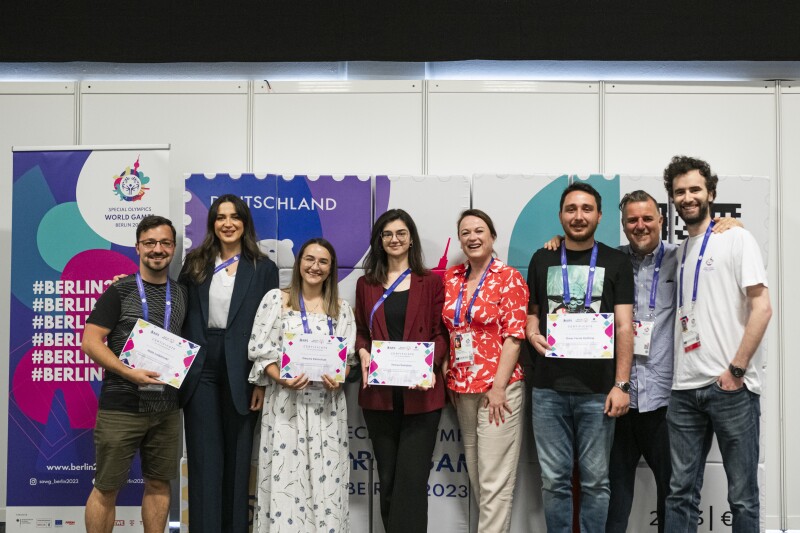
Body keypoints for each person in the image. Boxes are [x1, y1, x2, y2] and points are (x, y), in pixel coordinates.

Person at [541, 193, 742, 533]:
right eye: (632, 220)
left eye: (647, 218)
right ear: (622, 225)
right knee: (612, 495)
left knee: (673, 493)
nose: (640, 226)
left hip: (666, 400)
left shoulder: (684, 259)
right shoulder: (608, 261)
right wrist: (559, 241)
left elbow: (718, 257)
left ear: (662, 220)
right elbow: (573, 254)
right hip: (616, 399)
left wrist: (728, 226)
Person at [662, 156, 772, 533]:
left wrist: (736, 370)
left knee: (742, 496)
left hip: (731, 389)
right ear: (672, 200)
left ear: (711, 193)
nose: (687, 197)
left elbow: (762, 308)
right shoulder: (679, 252)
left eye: (695, 189)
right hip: (683, 390)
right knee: (679, 494)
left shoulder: (737, 237)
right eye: (680, 192)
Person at [526, 182, 634, 533]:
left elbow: (624, 327)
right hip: (548, 390)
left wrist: (621, 384)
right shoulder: (542, 258)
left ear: (600, 216)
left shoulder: (616, 261)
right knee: (554, 480)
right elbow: (533, 313)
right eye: (571, 209)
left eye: (587, 209)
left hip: (598, 392)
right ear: (560, 215)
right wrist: (531, 333)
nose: (578, 216)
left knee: (596, 482)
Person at [82, 215, 188, 533]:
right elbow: (90, 341)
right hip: (121, 406)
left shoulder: (182, 295)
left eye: (165, 243)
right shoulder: (120, 290)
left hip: (167, 408)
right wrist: (128, 373)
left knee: (159, 484)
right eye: (150, 243)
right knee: (106, 487)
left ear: (173, 247)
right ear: (138, 247)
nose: (158, 249)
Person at [180, 194, 279, 533]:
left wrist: (261, 383)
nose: (227, 223)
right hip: (201, 366)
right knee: (206, 460)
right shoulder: (195, 263)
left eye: (234, 216)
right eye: (220, 217)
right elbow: (175, 309)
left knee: (238, 462)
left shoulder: (262, 268)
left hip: (243, 368)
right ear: (212, 223)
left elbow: (271, 327)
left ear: (244, 222)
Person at [248, 238, 357, 532]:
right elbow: (260, 349)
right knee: (286, 480)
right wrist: (280, 376)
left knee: (327, 480)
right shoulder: (276, 300)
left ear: (331, 268)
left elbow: (348, 358)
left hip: (327, 410)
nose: (315, 267)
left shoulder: (341, 309)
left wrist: (340, 376)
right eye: (309, 259)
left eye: (323, 262)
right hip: (286, 406)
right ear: (299, 264)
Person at [354, 209, 449, 533]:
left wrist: (431, 364)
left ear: (411, 239)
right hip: (379, 397)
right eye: (387, 234)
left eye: (401, 233)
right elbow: (361, 332)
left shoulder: (432, 282)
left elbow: (441, 334)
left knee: (411, 478)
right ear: (380, 241)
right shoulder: (366, 284)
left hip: (421, 396)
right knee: (390, 477)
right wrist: (363, 351)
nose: (394, 239)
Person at [442, 209, 528, 533]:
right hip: (462, 388)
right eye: (465, 232)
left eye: (479, 230)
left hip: (498, 391)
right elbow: (447, 328)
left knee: (495, 482)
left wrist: (499, 387)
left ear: (492, 236)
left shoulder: (509, 278)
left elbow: (515, 336)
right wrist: (445, 364)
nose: (472, 237)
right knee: (479, 478)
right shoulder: (451, 278)